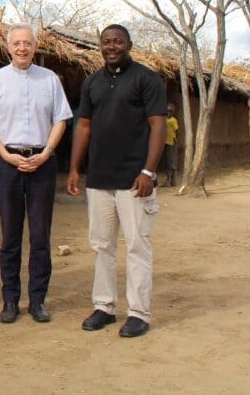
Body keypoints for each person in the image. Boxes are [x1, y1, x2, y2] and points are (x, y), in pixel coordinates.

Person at [66, 24, 166, 339]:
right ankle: (105, 307)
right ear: (100, 46)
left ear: (128, 44)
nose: (112, 46)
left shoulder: (146, 79)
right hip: (99, 179)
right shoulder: (92, 82)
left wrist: (149, 171)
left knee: (137, 245)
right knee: (102, 245)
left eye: (118, 41)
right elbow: (83, 126)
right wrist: (74, 168)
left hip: (134, 179)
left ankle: (138, 313)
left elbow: (157, 125)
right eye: (107, 42)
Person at [0, 24, 72, 324]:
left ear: (35, 45)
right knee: (10, 237)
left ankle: (38, 300)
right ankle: (10, 300)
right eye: (16, 43)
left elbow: (61, 120)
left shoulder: (50, 79)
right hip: (7, 164)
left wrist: (46, 153)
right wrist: (5, 155)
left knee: (40, 235)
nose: (22, 48)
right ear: (8, 47)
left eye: (27, 43)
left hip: (42, 162)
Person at [164, 103, 179, 187]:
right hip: (166, 142)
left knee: (171, 161)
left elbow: (177, 131)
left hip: (172, 143)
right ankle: (171, 181)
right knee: (167, 161)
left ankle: (170, 181)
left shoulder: (173, 120)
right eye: (167, 112)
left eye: (170, 112)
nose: (168, 113)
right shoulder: (164, 119)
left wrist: (175, 139)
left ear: (173, 113)